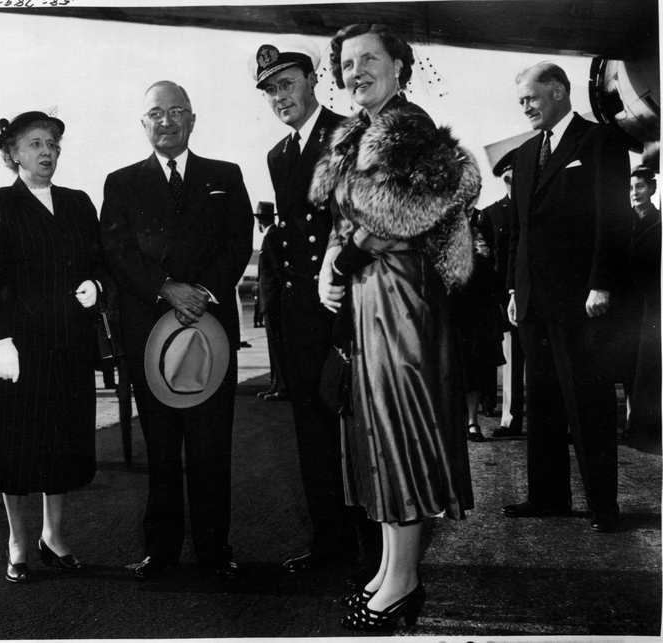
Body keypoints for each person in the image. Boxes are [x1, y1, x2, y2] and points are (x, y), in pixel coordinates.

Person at [311, 23, 478, 631]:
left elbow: (399, 215)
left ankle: (404, 581)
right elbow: (350, 218)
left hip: (401, 300)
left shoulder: (407, 129)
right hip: (369, 298)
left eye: (369, 59)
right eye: (346, 63)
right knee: (376, 432)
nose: (355, 72)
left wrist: (346, 255)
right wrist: (332, 264)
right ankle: (390, 568)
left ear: (400, 67)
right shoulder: (360, 132)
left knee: (399, 430)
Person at [100, 81, 253, 581]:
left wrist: (202, 291)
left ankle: (215, 548)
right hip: (151, 331)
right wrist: (167, 288)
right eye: (155, 114)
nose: (165, 121)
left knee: (211, 447)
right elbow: (118, 252)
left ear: (192, 119)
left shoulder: (225, 176)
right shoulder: (120, 183)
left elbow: (238, 241)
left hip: (209, 328)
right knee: (161, 448)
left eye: (176, 112)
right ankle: (160, 550)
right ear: (142, 123)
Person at [252, 35, 381, 580]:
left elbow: (363, 220)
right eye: (269, 91)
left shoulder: (350, 134)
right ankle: (330, 543)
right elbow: (293, 232)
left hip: (350, 302)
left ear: (312, 82)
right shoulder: (279, 154)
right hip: (304, 310)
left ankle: (376, 551)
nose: (279, 97)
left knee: (362, 432)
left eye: (286, 84)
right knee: (312, 431)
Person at [0, 110, 103, 583]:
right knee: (16, 444)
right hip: (18, 347)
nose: (47, 152)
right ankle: (18, 541)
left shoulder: (79, 202)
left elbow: (99, 259)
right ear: (11, 154)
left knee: (62, 441)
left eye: (52, 143)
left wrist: (96, 285)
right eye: (34, 144)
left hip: (68, 340)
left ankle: (54, 535)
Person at [503, 62, 633, 533]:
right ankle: (548, 496)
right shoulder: (522, 155)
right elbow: (518, 231)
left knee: (588, 403)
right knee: (542, 403)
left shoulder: (600, 141)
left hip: (581, 301)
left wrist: (602, 283)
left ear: (558, 91)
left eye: (531, 98)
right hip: (535, 300)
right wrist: (515, 288)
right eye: (520, 101)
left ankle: (604, 505)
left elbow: (611, 219)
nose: (525, 107)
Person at [480, 150, 525, 437]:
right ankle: (510, 418)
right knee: (511, 361)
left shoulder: (534, 208)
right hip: (502, 298)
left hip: (532, 293)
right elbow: (487, 261)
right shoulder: (492, 213)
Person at [450, 208, 505, 441]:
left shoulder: (483, 224)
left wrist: (484, 255)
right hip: (452, 307)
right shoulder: (442, 223)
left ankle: (473, 422)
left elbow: (496, 263)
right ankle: (452, 422)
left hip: (477, 309)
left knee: (473, 368)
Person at [623, 164, 661, 454]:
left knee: (646, 366)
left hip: (649, 305)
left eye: (641, 186)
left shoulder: (659, 222)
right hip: (627, 304)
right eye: (632, 187)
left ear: (652, 189)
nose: (635, 192)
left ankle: (643, 429)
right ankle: (629, 423)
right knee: (625, 365)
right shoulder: (623, 222)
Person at [254, 201, 289, 402]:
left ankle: (282, 388)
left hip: (274, 303)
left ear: (259, 221)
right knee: (274, 347)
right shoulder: (271, 236)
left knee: (277, 347)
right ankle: (275, 385)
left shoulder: (272, 237)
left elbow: (278, 273)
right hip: (270, 303)